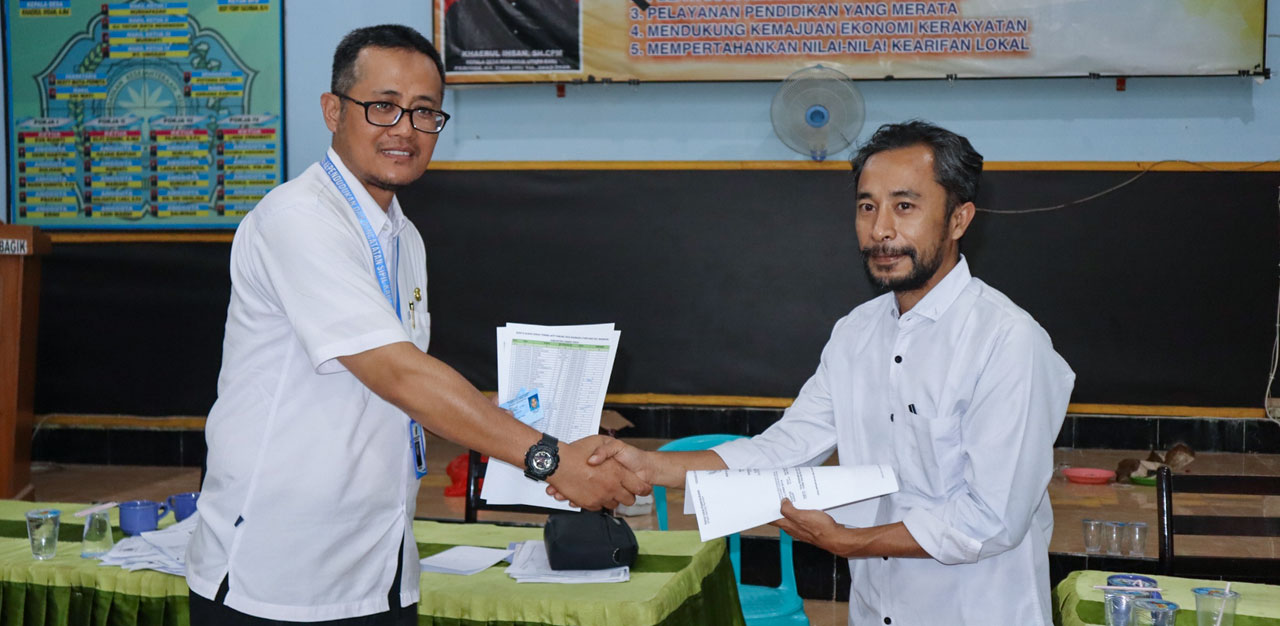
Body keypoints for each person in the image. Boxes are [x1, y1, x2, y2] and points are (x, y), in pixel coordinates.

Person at [187, 25, 644, 625]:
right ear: (333, 110)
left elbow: (400, 388)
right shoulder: (298, 220)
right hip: (278, 576)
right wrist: (550, 459)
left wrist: (535, 420)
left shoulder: (404, 237)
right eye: (383, 106)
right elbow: (400, 375)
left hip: (380, 565)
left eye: (425, 111)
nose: (404, 128)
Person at [572, 121, 1076, 625]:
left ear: (959, 219)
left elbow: (992, 518)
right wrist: (650, 466)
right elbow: (784, 449)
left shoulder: (1007, 341)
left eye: (905, 206)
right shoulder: (856, 333)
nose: (881, 230)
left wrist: (851, 542)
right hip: (876, 612)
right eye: (867, 206)